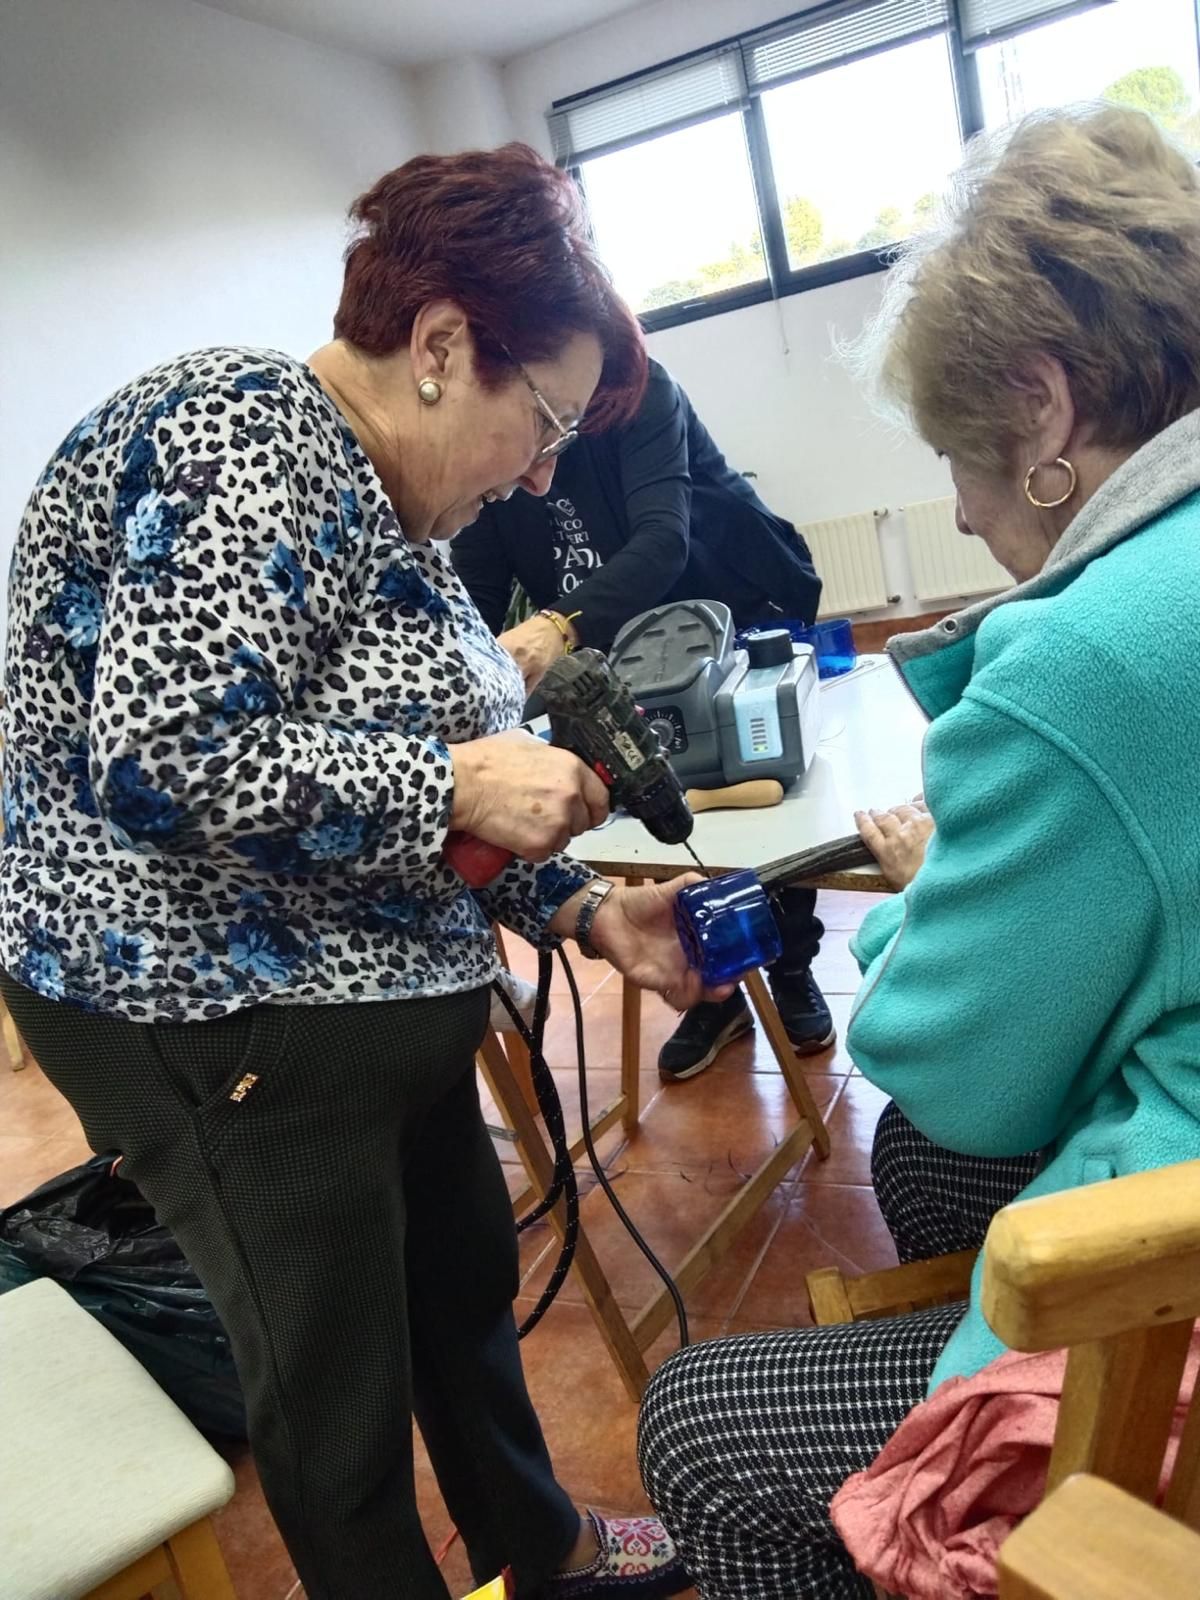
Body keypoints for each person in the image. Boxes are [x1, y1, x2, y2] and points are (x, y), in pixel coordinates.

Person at [0, 144, 720, 1600]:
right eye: (547, 420)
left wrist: (579, 906)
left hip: (373, 993)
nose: (543, 469)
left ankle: (544, 1549)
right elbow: (164, 757)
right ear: (445, 342)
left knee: (460, 1301)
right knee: (334, 1397)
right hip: (210, 1013)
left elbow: (403, 813)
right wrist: (458, 776)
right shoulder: (240, 428)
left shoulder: (397, 509)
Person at [636, 104, 1200, 1597]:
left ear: (1046, 406)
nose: (956, 501)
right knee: (926, 1169)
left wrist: (919, 896)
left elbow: (956, 1058)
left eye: (961, 451)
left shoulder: (1093, 664)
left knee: (697, 1429)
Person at [452, 359, 833, 1080]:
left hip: (738, 601)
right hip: (621, 640)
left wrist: (557, 627)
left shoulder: (638, 392)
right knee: (648, 798)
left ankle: (788, 961)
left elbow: (663, 542)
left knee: (763, 778)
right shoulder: (495, 446)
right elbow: (473, 589)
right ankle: (714, 997)